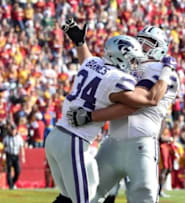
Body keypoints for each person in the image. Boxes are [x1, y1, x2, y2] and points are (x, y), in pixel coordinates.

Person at [45, 19, 173, 203]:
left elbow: (86, 60)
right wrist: (167, 69)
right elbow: (148, 100)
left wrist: (80, 44)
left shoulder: (93, 63)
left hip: (57, 135)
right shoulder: (118, 78)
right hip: (74, 140)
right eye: (131, 58)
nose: (134, 63)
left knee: (67, 198)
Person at [2, 122, 26, 189]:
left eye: (14, 130)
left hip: (16, 155)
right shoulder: (6, 138)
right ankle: (11, 186)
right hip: (9, 155)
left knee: (18, 171)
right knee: (9, 170)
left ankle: (12, 182)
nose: (13, 131)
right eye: (12, 130)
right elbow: (4, 147)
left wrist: (23, 156)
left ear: (16, 130)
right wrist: (3, 156)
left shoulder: (19, 138)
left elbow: (21, 147)